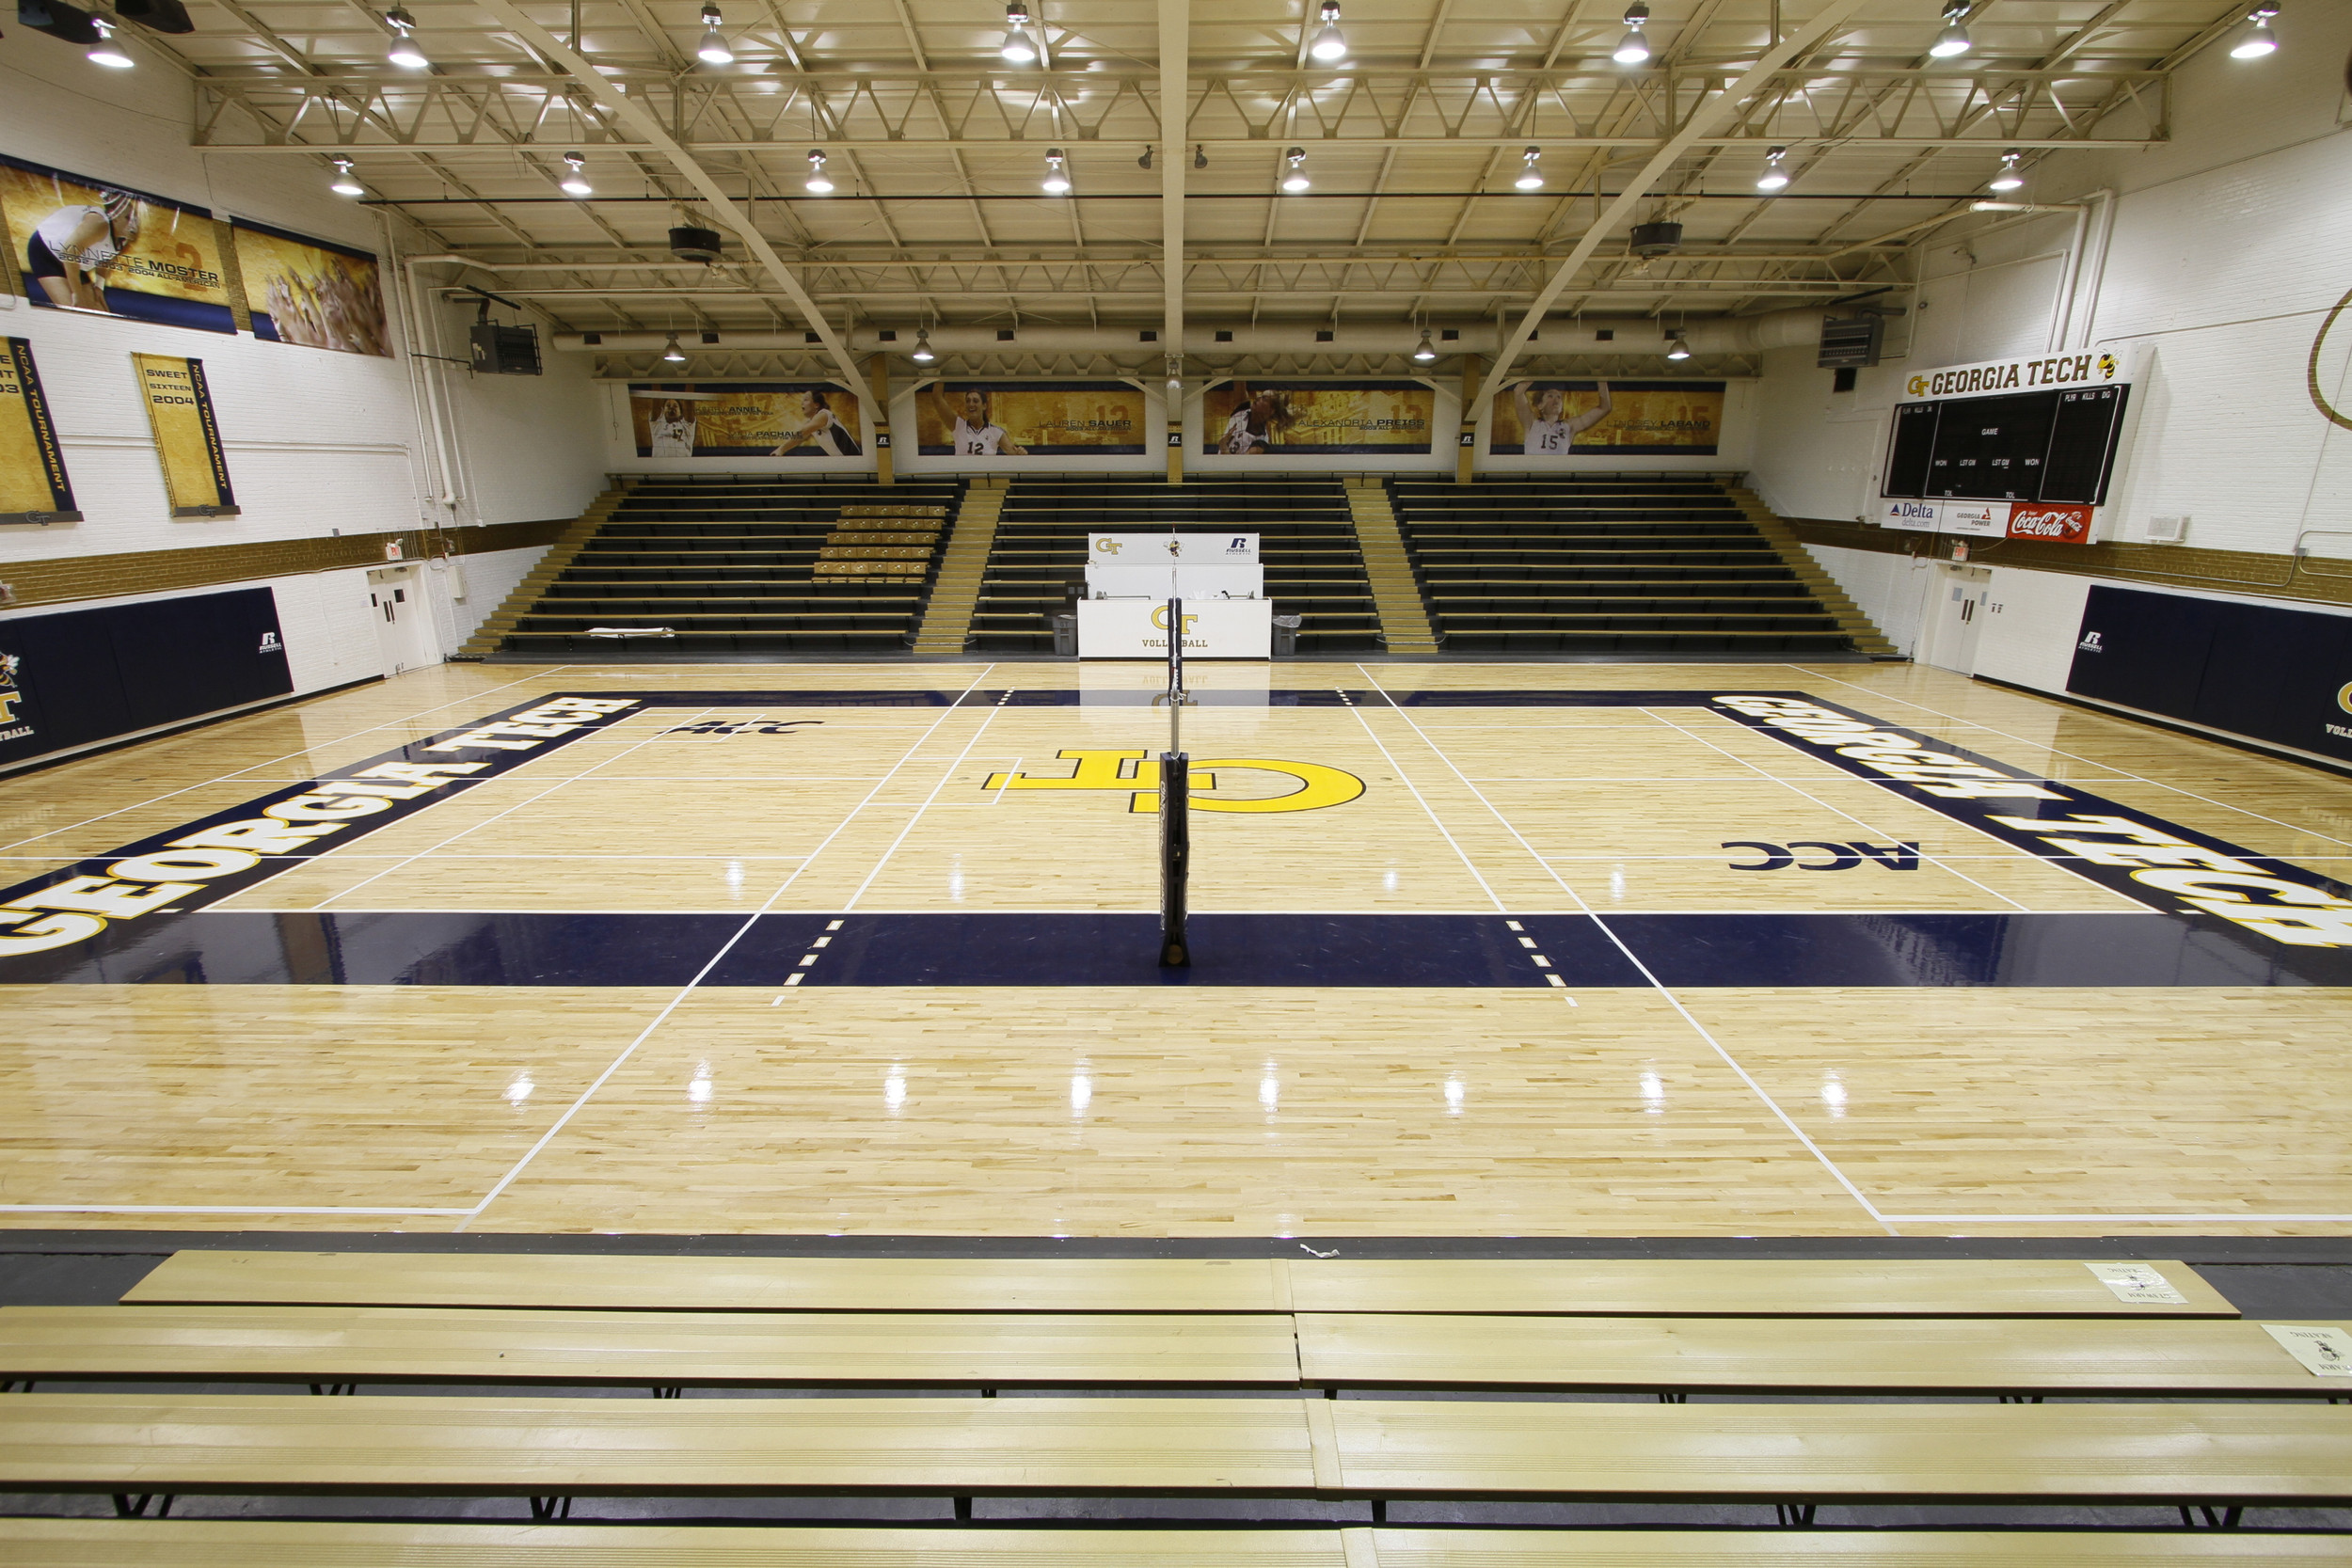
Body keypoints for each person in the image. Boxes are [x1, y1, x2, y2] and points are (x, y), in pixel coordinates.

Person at [25, 189, 141, 313]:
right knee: (76, 312)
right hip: (46, 251)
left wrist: (99, 286)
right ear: (115, 218)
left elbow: (106, 258)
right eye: (127, 218)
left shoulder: (123, 237)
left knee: (101, 314)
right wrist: (77, 293)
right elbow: (69, 252)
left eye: (134, 219)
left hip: (73, 260)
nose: (132, 224)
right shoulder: (99, 224)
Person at [1513, 379, 1613, 453]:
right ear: (1540, 405)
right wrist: (1536, 372)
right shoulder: (1531, 422)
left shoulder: (1569, 426)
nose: (1556, 399)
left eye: (1559, 397)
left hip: (1557, 477)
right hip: (1533, 476)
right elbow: (1518, 392)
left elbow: (1604, 408)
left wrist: (1601, 378)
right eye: (1550, 396)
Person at [927, 384, 1025, 455]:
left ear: (984, 406)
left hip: (985, 480)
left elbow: (1015, 455)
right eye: (968, 401)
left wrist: (1021, 453)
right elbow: (937, 398)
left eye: (975, 401)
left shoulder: (996, 432)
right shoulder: (958, 426)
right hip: (963, 479)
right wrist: (939, 373)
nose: (971, 404)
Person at [771, 388, 861, 456]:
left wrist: (781, 449)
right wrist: (782, 450)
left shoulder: (824, 415)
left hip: (855, 460)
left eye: (806, 400)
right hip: (844, 463)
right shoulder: (811, 423)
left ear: (816, 405)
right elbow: (798, 438)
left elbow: (801, 433)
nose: (802, 403)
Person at [1218, 378, 1291, 454]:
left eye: (1264, 399)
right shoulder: (1242, 409)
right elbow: (1239, 377)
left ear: (1271, 411)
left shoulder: (1261, 443)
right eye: (1261, 395)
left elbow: (1241, 465)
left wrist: (1224, 447)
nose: (1258, 397)